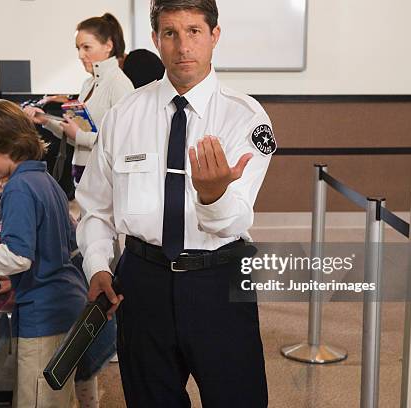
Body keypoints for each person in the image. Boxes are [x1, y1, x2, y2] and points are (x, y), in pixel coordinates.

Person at [76, 0, 276, 406]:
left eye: (194, 32)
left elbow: (236, 218)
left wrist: (213, 194)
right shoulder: (124, 115)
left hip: (218, 281)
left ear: (214, 36)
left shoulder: (247, 118)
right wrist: (97, 265)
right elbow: (96, 208)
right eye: (170, 33)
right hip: (141, 283)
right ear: (156, 39)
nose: (183, 46)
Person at [0, 99, 93, 408]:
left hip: (45, 314)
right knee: (56, 397)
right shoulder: (44, 179)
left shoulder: (18, 188)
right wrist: (15, 281)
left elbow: (18, 256)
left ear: (7, 145)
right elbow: (57, 245)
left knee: (37, 400)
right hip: (66, 304)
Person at [24, 13, 134, 186]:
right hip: (82, 171)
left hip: (105, 176)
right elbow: (75, 134)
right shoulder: (88, 84)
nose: (80, 55)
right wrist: (45, 120)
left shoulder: (119, 84)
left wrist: (80, 136)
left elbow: (123, 142)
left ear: (108, 46)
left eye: (86, 47)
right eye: (78, 48)